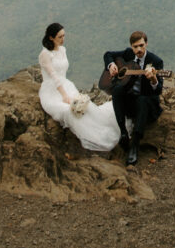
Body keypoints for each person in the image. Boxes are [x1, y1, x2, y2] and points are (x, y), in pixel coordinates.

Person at [38, 22, 120, 152]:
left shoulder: (62, 49)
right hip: (52, 90)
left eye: (64, 36)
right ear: (51, 38)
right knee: (68, 110)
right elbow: (53, 76)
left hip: (66, 84)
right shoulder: (45, 55)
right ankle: (92, 137)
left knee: (84, 107)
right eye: (59, 37)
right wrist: (64, 96)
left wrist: (67, 92)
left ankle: (100, 129)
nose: (63, 39)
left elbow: (62, 73)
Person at [103, 30, 164, 166]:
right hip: (130, 103)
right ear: (131, 47)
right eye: (136, 46)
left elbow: (158, 90)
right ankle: (123, 133)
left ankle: (135, 144)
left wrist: (153, 79)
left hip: (147, 105)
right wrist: (111, 65)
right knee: (117, 89)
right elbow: (108, 54)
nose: (139, 49)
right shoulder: (128, 54)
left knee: (143, 99)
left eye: (141, 45)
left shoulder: (155, 61)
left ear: (146, 44)